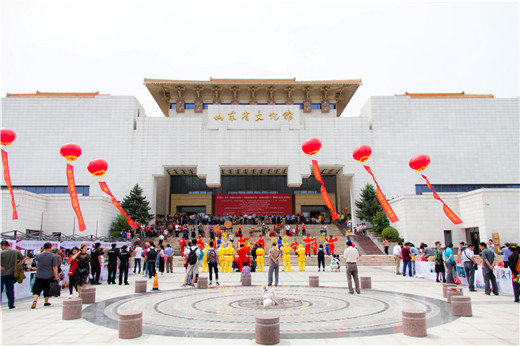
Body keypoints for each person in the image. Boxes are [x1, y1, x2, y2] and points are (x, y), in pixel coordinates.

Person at [31, 242, 58, 309]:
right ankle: (46, 302)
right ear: (50, 248)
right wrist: (56, 275)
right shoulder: (53, 256)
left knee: (36, 289)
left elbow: (35, 263)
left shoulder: (39, 255)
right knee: (47, 289)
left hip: (39, 274)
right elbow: (54, 266)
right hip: (49, 275)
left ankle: (35, 300)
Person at [0, 240, 25, 309]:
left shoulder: (1, 253)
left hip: (1, 274)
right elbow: (23, 259)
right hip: (11, 273)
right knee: (10, 289)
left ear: (3, 246)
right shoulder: (16, 251)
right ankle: (11, 304)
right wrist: (18, 265)